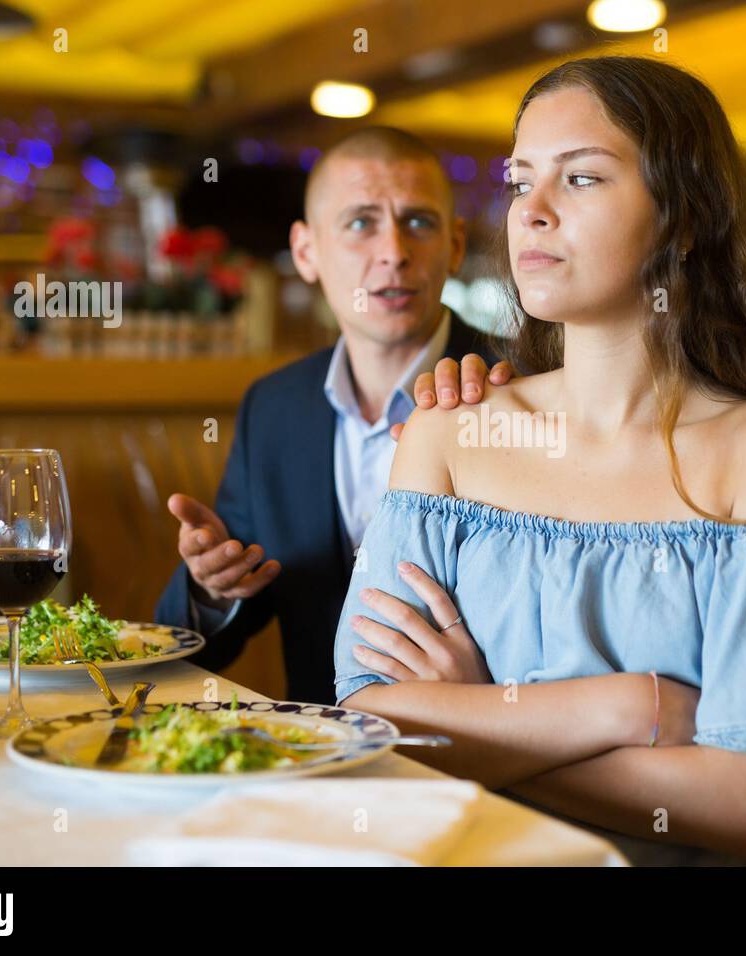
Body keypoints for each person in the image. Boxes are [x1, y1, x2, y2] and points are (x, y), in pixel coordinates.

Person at [331, 56, 746, 865]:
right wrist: (628, 705)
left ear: (686, 216)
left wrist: (481, 723)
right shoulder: (449, 433)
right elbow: (369, 717)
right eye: (520, 180)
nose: (531, 211)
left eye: (583, 179)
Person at [154, 127, 510, 704]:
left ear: (455, 245)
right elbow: (199, 647)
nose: (393, 251)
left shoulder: (518, 387)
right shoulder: (274, 407)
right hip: (317, 756)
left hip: (484, 752)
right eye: (361, 223)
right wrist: (212, 588)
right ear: (306, 252)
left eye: (418, 222)